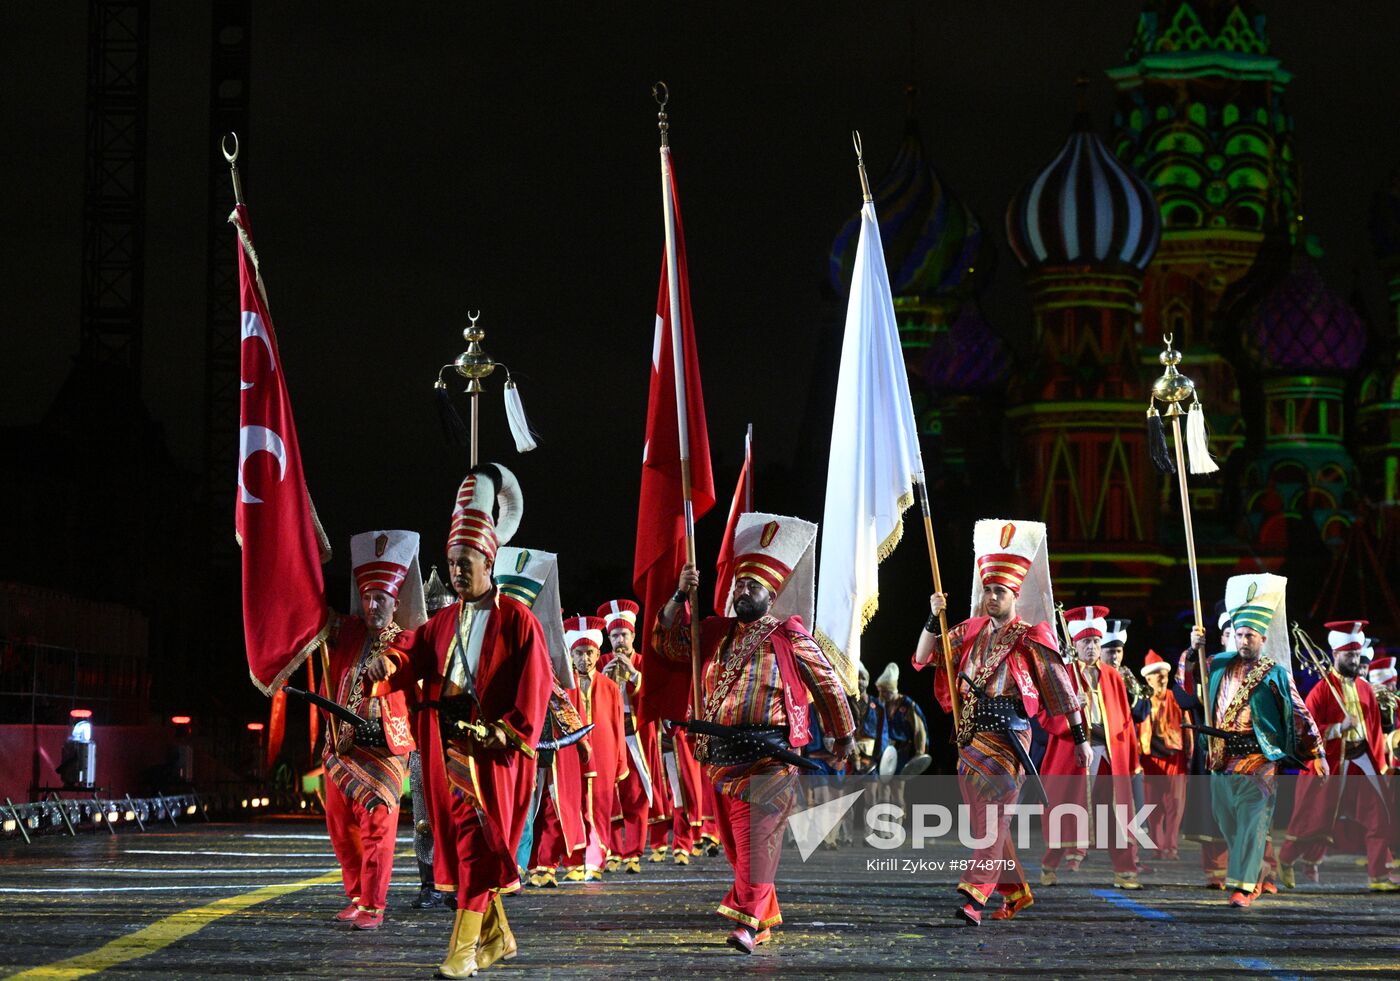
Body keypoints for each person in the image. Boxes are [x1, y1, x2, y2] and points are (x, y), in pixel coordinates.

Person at [656, 513, 857, 953]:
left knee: (756, 845)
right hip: (721, 759)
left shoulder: (788, 633)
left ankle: (746, 923)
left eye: (753, 587)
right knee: (738, 849)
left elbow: (826, 684)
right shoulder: (712, 631)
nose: (743, 592)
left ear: (772, 594)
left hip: (772, 756)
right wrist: (678, 594)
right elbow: (667, 644)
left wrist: (843, 737)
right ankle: (761, 918)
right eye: (739, 586)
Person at [381, 464, 553, 977]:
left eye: (467, 562)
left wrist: (509, 728)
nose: (457, 571)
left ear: (488, 562)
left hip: (492, 751)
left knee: (478, 844)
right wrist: (385, 662)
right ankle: (496, 939)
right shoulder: (442, 621)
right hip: (447, 748)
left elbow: (536, 682)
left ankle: (460, 953)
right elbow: (409, 656)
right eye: (452, 562)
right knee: (465, 845)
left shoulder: (517, 620)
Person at [915, 519, 1089, 925]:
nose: (992, 597)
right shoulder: (968, 633)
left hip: (1011, 738)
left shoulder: (1032, 637)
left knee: (992, 819)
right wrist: (931, 616)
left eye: (1000, 591)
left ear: (1015, 595)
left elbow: (1064, 691)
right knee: (986, 822)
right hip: (971, 738)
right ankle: (1016, 890)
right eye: (988, 590)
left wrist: (1080, 739)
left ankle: (975, 898)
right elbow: (924, 656)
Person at [320, 530, 424, 931]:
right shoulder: (347, 632)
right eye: (367, 597)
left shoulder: (407, 639)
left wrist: (389, 665)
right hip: (341, 746)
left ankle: (375, 905)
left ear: (396, 602)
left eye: (381, 598)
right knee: (341, 829)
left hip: (384, 749)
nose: (373, 604)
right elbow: (312, 617)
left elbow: (404, 660)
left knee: (378, 827)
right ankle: (357, 896)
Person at [1206, 573, 1325, 909]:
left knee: (1253, 821)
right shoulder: (1216, 666)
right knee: (1227, 821)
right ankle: (1255, 873)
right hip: (1221, 758)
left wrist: (1317, 754)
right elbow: (1189, 687)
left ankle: (1242, 887)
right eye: (1239, 634)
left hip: (1259, 759)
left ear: (1261, 638)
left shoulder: (1274, 672)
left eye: (1250, 636)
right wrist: (1194, 648)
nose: (1243, 641)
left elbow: (1302, 716)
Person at [1279, 620, 1397, 891]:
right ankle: (1286, 860)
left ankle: (1378, 876)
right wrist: (1337, 728)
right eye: (1349, 655)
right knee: (1315, 819)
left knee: (1379, 813)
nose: (1354, 660)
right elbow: (1304, 731)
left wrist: (1381, 763)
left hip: (1362, 759)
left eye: (1357, 654)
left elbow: (1376, 729)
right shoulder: (1321, 691)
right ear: (1336, 655)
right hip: (1333, 759)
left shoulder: (1366, 688)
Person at [1038, 605, 1142, 890]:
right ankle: (1050, 864)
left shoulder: (1112, 676)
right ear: (1075, 643)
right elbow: (1045, 714)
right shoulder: (1063, 675)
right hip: (1074, 754)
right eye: (1086, 642)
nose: (1093, 647)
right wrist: (1071, 710)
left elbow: (1124, 720)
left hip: (1108, 753)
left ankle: (1126, 871)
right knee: (1068, 810)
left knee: (1116, 812)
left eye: (1096, 641)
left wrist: (1130, 757)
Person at [563, 615, 628, 881]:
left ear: (597, 653)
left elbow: (618, 724)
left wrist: (621, 761)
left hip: (604, 754)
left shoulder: (610, 687)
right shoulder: (564, 688)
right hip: (572, 756)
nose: (585, 659)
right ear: (571, 654)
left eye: (590, 653)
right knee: (573, 805)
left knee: (600, 807)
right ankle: (575, 862)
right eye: (579, 653)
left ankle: (596, 859)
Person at [410, 565, 457, 911]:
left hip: (456, 742)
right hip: (421, 744)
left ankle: (458, 883)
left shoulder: (463, 650)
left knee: (459, 817)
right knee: (424, 821)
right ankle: (429, 883)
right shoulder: (414, 649)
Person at [598, 599, 658, 873]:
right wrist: (603, 680)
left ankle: (634, 851)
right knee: (608, 793)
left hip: (636, 735)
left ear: (633, 635)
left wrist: (634, 675)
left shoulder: (644, 662)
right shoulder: (599, 662)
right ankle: (612, 850)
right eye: (614, 635)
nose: (619, 640)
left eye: (623, 635)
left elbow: (652, 699)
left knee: (636, 791)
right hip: (609, 736)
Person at [1136, 651, 1199, 861]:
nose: (1162, 678)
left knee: (1175, 805)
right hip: (1150, 759)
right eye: (1157, 674)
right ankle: (1157, 847)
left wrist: (1190, 759)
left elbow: (1188, 729)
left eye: (1164, 673)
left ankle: (1171, 847)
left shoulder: (1175, 698)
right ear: (1148, 679)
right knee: (1153, 807)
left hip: (1174, 758)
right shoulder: (1142, 700)